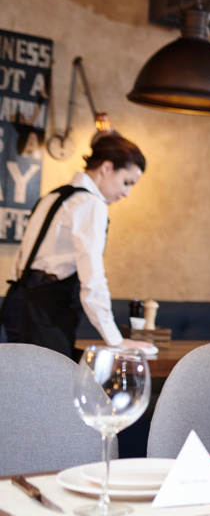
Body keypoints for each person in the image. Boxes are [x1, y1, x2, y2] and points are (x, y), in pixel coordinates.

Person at [10, 133, 152, 359]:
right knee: (48, 391)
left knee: (16, 388)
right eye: (126, 182)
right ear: (106, 167)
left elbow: (22, 260)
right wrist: (114, 339)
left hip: (17, 304)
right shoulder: (91, 205)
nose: (127, 193)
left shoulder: (53, 196)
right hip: (47, 313)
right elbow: (92, 279)